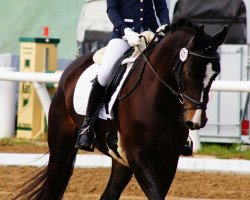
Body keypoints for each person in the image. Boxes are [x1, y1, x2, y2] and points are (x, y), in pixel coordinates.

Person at [75, 0, 170, 151]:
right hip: (124, 37)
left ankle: (180, 131)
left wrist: (165, 24)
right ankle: (87, 127)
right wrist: (125, 30)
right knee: (105, 74)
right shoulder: (124, 32)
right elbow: (112, 9)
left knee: (171, 71)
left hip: (150, 34)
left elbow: (161, 6)